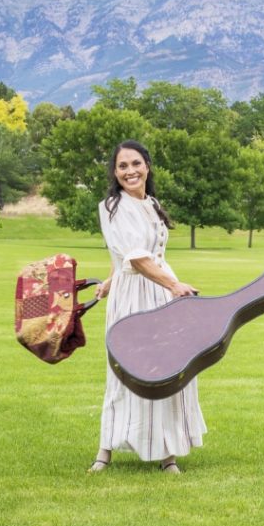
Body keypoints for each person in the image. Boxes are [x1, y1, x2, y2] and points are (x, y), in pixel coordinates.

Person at [89, 139, 206, 474]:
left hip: (159, 293)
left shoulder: (152, 204)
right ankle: (105, 451)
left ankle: (167, 454)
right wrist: (173, 285)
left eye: (136, 164)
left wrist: (109, 280)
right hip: (135, 299)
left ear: (148, 166)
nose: (130, 171)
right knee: (125, 370)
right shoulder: (112, 207)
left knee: (167, 368)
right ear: (115, 172)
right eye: (123, 166)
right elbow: (132, 257)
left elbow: (134, 256)